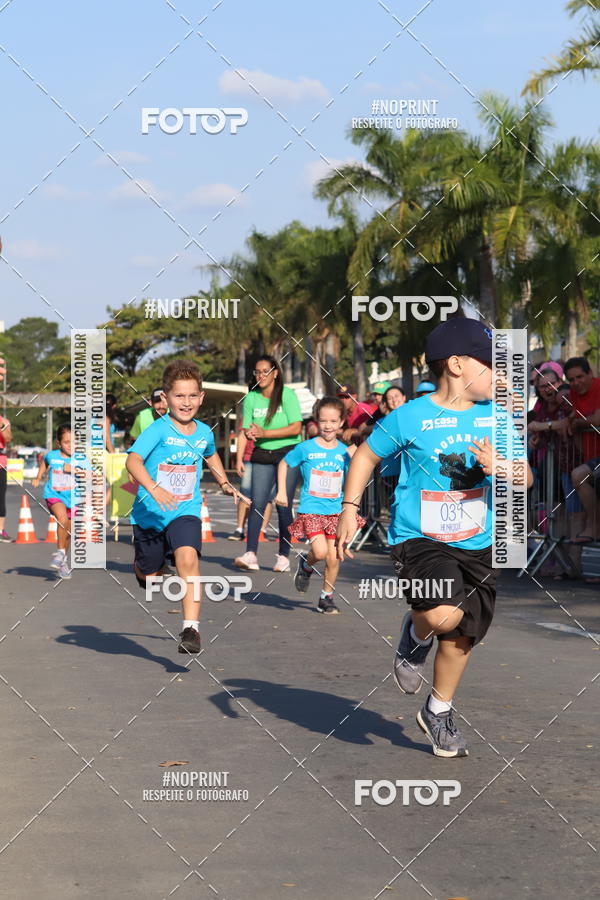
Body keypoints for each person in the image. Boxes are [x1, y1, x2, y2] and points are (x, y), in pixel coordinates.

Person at [336, 318, 533, 758]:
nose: (498, 376)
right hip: (419, 537)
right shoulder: (410, 416)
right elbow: (366, 456)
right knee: (444, 615)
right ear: (457, 365)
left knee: (463, 636)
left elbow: (526, 477)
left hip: (478, 541)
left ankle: (438, 710)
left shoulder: (497, 418)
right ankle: (416, 632)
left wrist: (502, 468)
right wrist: (349, 509)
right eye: (490, 365)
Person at [126, 360, 243, 655]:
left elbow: (210, 455)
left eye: (192, 396)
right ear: (165, 398)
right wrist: (153, 488)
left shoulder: (203, 432)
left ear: (201, 397)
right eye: (179, 396)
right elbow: (133, 461)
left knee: (188, 559)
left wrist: (224, 482)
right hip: (150, 514)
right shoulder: (158, 429)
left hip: (185, 510)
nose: (186, 402)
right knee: (149, 574)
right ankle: (144, 568)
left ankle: (191, 630)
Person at [275, 397, 364, 614]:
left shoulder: (344, 452)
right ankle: (306, 565)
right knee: (321, 552)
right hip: (312, 509)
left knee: (334, 556)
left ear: (341, 422)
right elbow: (284, 463)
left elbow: (356, 478)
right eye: (323, 421)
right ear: (317, 421)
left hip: (336, 511)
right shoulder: (306, 448)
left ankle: (326, 597)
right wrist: (281, 491)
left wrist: (356, 461)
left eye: (333, 421)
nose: (328, 426)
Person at [234, 356, 302, 573]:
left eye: (265, 371)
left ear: (275, 373)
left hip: (287, 453)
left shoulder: (287, 394)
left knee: (283, 503)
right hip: (262, 453)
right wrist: (240, 456)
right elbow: (245, 429)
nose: (260, 375)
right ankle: (250, 554)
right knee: (258, 503)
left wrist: (266, 433)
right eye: (257, 372)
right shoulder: (251, 397)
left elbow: (296, 428)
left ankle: (283, 556)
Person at [554, 357, 600, 543]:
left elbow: (597, 419)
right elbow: (573, 418)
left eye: (579, 377)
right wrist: (569, 422)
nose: (576, 382)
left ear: (590, 373)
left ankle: (595, 525)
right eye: (571, 379)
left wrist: (575, 423)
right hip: (592, 456)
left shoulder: (598, 387)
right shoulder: (573, 393)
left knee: (578, 475)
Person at [32, 424, 86, 580]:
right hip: (54, 495)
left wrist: (77, 470)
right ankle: (60, 553)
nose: (71, 445)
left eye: (74, 442)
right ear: (59, 443)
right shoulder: (52, 455)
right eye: (67, 442)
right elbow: (44, 462)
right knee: (62, 519)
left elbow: (91, 475)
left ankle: (63, 561)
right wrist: (38, 477)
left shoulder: (80, 458)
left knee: (68, 532)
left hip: (74, 499)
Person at [229, 427, 274, 541]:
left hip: (271, 458)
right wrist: (239, 459)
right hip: (249, 458)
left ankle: (262, 531)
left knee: (268, 496)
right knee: (245, 493)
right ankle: (240, 529)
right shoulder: (250, 416)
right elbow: (242, 435)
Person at [0, 412, 12, 541]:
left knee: (0, 498)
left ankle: (0, 530)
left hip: (1, 463)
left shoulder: (5, 421)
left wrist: (2, 427)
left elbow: (8, 439)